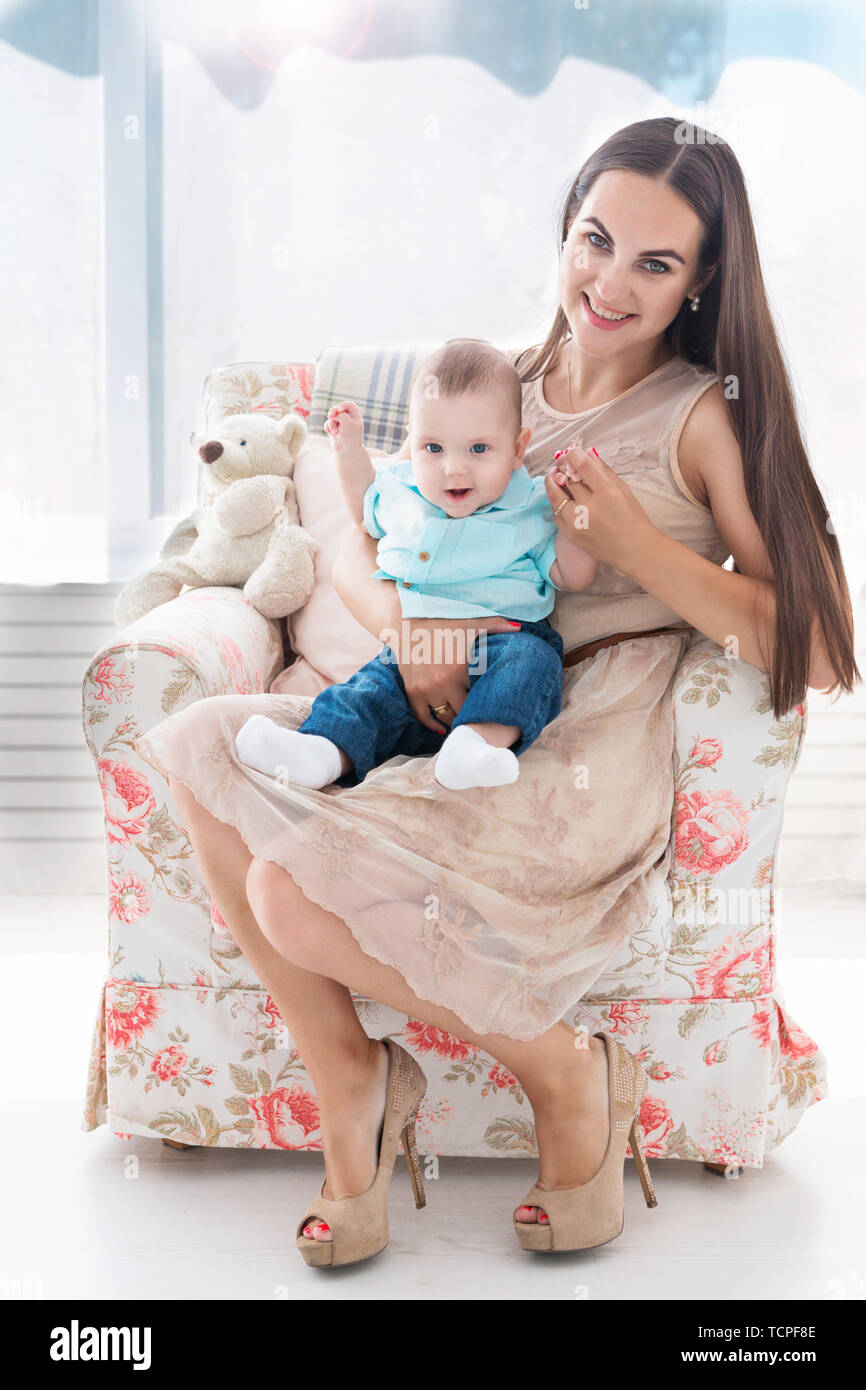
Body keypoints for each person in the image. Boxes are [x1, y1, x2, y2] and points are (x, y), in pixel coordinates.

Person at [133, 116, 858, 1266]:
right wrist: (410, 628)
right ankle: (355, 1078)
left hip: (574, 732)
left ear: (702, 278)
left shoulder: (698, 415)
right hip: (437, 700)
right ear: (564, 227)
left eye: (654, 263)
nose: (607, 283)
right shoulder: (496, 388)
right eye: (594, 239)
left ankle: (566, 1076)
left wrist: (636, 544)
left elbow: (819, 649)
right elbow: (387, 537)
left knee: (285, 895)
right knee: (204, 740)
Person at [232, 338, 597, 793]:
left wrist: (578, 521)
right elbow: (365, 511)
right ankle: (319, 752)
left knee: (534, 666)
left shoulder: (532, 504)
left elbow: (572, 575)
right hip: (413, 649)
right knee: (367, 692)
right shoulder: (404, 491)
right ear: (413, 441)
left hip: (506, 640)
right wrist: (349, 452)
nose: (454, 469)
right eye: (433, 448)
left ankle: (474, 746)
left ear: (518, 448)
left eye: (479, 449)